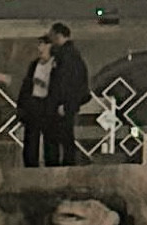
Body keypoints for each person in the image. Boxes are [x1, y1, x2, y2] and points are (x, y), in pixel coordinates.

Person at [42, 21, 90, 166]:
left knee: (59, 135)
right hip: (68, 103)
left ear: (58, 36)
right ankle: (67, 163)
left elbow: (64, 82)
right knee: (65, 135)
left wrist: (62, 102)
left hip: (62, 104)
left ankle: (60, 164)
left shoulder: (65, 57)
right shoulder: (73, 55)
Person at [14, 36, 55, 169]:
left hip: (47, 104)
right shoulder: (34, 64)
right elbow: (27, 84)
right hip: (34, 104)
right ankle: (30, 165)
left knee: (50, 137)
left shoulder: (56, 64)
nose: (40, 48)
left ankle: (51, 165)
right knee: (31, 137)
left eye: (42, 45)